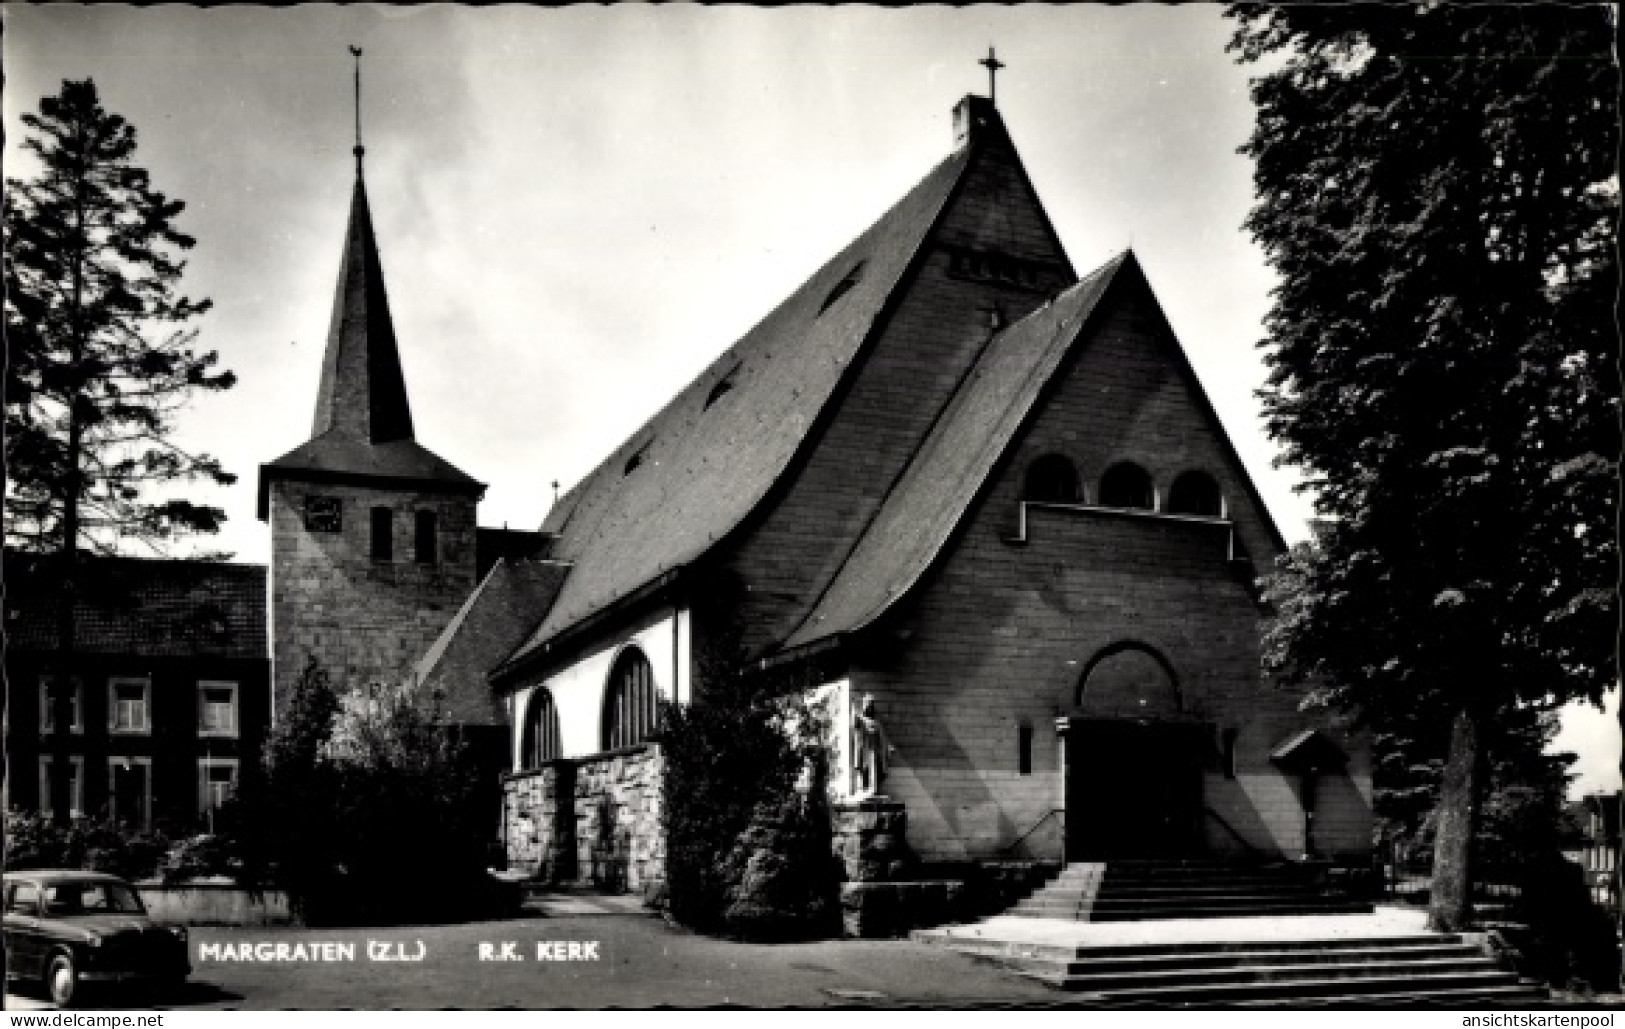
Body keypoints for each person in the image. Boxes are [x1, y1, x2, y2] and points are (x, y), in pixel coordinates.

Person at [852, 694, 892, 798]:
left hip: (875, 749)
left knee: (875, 768)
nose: (869, 707)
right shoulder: (861, 719)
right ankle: (864, 789)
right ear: (865, 706)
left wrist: (886, 749)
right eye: (868, 705)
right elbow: (856, 726)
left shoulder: (876, 723)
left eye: (871, 705)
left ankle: (874, 789)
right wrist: (855, 710)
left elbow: (882, 737)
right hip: (865, 748)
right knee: (864, 768)